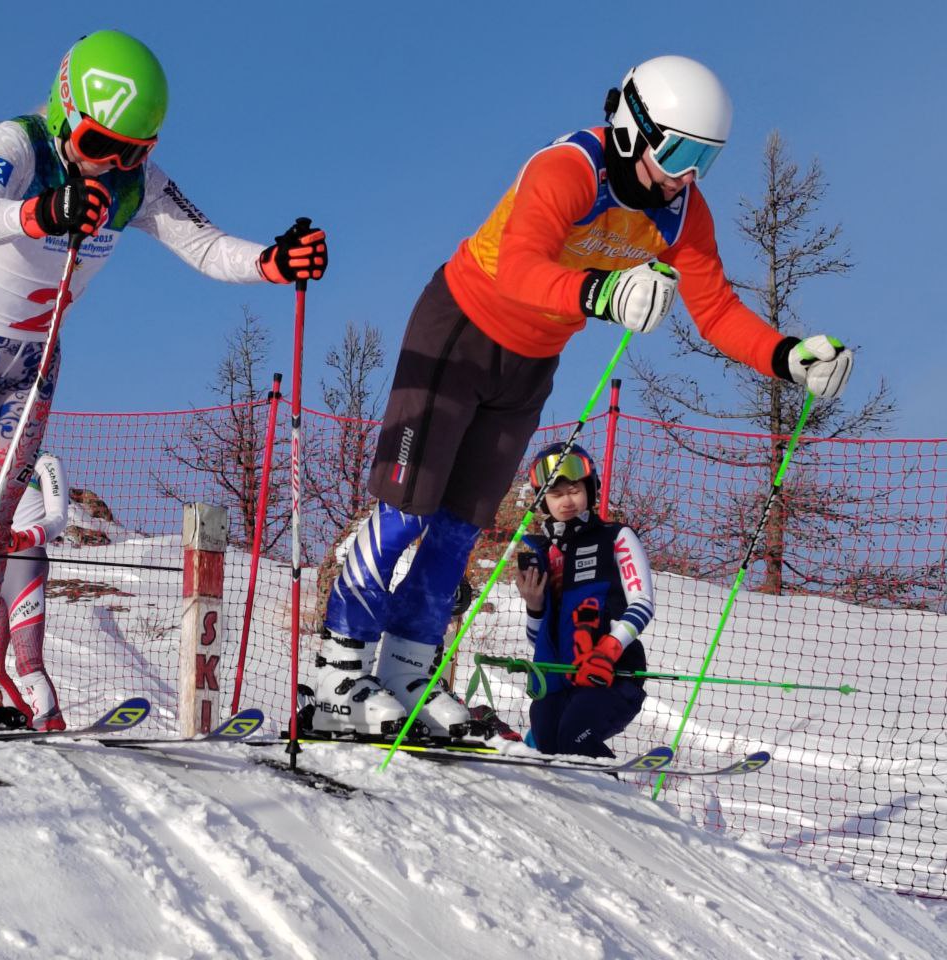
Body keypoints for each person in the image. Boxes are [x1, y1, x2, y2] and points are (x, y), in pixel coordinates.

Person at [310, 54, 853, 739]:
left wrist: (787, 355)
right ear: (632, 129)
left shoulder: (683, 213)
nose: (687, 174)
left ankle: (406, 672)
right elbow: (518, 267)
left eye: (705, 161)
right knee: (406, 511)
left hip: (532, 361)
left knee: (459, 526)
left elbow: (714, 310)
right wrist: (602, 290)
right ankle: (337, 674)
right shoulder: (568, 168)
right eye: (679, 152)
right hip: (462, 328)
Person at [0, 29, 328, 732]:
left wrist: (272, 261)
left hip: (31, 361)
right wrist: (39, 211)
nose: (112, 163)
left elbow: (202, 243)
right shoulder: (17, 142)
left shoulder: (135, 185)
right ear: (62, 112)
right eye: (97, 145)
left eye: (132, 151)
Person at [513, 443, 653, 757]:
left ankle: (613, 798)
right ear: (543, 501)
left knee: (573, 737)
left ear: (589, 489)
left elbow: (642, 603)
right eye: (555, 494)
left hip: (612, 677)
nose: (566, 501)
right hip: (560, 682)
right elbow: (537, 638)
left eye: (574, 490)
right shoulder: (544, 553)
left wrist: (609, 648)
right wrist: (534, 605)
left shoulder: (615, 536)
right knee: (546, 740)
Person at [0, 451, 69, 732]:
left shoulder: (45, 462)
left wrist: (30, 535)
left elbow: (59, 516)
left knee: (28, 659)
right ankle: (18, 716)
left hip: (26, 561)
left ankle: (49, 718)